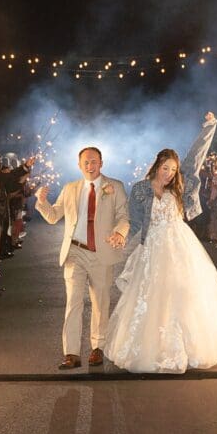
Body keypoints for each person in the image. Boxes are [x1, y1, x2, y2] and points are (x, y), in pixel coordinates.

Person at [103, 112, 217, 373]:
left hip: (179, 244)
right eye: (165, 168)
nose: (169, 174)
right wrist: (120, 235)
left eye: (173, 170)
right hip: (153, 247)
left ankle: (188, 346)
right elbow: (133, 220)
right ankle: (154, 347)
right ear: (156, 166)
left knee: (184, 292)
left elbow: (195, 156)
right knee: (151, 295)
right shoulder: (141, 189)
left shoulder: (180, 186)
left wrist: (210, 127)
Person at [34, 146, 129, 369]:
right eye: (85, 162)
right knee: (73, 302)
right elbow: (53, 216)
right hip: (75, 253)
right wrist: (41, 201)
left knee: (100, 302)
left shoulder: (114, 187)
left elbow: (124, 217)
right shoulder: (70, 189)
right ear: (79, 165)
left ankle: (98, 348)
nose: (90, 166)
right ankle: (71, 353)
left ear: (101, 163)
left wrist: (119, 232)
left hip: (101, 252)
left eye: (94, 161)